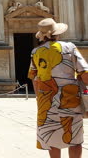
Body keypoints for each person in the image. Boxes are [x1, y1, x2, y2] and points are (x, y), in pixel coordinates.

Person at [28, 18, 88, 158]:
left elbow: (34, 78)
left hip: (46, 101)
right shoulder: (69, 47)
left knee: (52, 138)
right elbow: (84, 73)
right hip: (69, 99)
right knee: (74, 140)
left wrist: (40, 98)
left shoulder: (36, 52)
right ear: (57, 33)